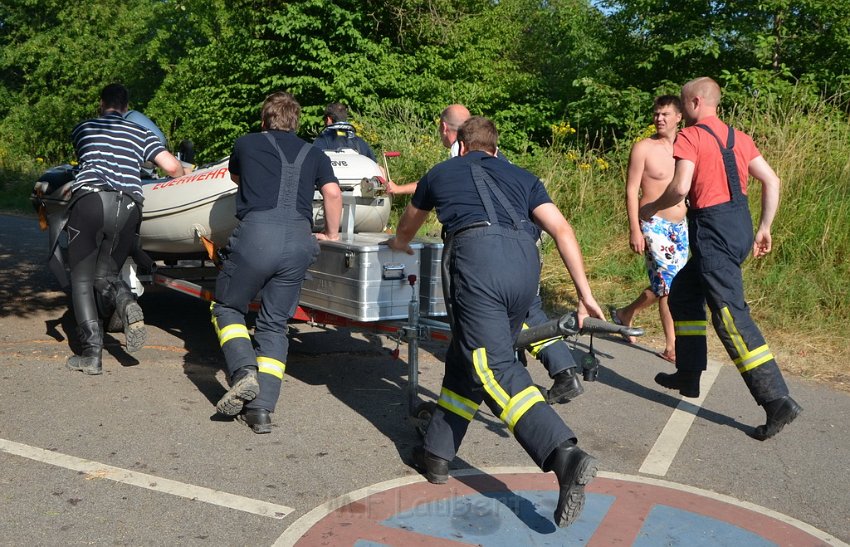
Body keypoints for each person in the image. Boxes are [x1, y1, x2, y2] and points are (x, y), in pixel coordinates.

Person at [386, 116, 604, 527]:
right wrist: (585, 294)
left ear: (462, 147)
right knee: (467, 357)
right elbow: (561, 229)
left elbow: (408, 226)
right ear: (496, 149)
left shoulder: (441, 171)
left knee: (492, 366)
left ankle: (564, 455)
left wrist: (397, 244)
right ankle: (435, 453)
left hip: (477, 261)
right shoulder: (523, 176)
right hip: (524, 267)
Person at [388, 104, 586, 403]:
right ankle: (560, 369)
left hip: (495, 247)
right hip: (523, 245)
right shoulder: (495, 153)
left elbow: (439, 183)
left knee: (520, 313)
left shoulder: (461, 154)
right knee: (525, 308)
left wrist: (398, 196)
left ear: (447, 130)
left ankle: (548, 378)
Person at [639, 77, 802, 440]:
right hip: (739, 227)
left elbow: (681, 188)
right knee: (682, 293)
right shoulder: (738, 138)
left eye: (684, 105)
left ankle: (776, 400)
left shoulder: (691, 137)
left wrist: (651, 206)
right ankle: (689, 371)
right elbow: (771, 181)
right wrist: (764, 228)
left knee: (729, 316)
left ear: (696, 103)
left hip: (713, 232)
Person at [211, 92, 342, 434]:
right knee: (274, 325)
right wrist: (330, 233)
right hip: (300, 241)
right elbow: (332, 193)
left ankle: (243, 373)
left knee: (227, 308)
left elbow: (237, 179)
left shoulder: (246, 143)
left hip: (257, 236)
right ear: (296, 121)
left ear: (264, 119)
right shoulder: (314, 152)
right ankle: (261, 410)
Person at [65, 83, 184, 375]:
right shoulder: (142, 133)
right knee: (105, 275)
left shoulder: (84, 128)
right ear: (127, 107)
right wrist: (183, 173)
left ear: (101, 104)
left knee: (82, 280)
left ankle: (91, 355)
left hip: (91, 200)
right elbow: (171, 167)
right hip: (129, 206)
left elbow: (84, 160)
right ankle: (125, 301)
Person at [610, 95, 688, 362]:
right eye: (656, 114)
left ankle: (625, 313)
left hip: (680, 226)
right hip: (653, 224)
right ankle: (672, 346)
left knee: (661, 284)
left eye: (665, 114)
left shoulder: (686, 146)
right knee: (671, 284)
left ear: (679, 117)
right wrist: (634, 228)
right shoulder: (643, 148)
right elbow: (631, 190)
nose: (659, 119)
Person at [313, 102, 377, 161]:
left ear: (329, 119)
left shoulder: (322, 140)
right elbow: (377, 167)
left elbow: (313, 164)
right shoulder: (361, 142)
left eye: (324, 119)